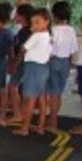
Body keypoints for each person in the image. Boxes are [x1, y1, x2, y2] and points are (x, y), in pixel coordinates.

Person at [14, 8, 52, 136]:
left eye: (37, 22)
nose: (34, 25)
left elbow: (24, 48)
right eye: (32, 23)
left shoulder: (36, 36)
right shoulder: (48, 36)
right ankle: (40, 126)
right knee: (41, 98)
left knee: (30, 98)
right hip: (43, 68)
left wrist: (17, 59)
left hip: (33, 68)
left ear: (46, 22)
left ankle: (25, 128)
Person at [46, 1, 78, 132]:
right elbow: (72, 51)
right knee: (58, 93)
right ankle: (54, 117)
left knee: (52, 93)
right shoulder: (71, 30)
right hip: (65, 62)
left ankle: (52, 122)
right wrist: (69, 65)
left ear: (54, 15)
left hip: (53, 62)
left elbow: (50, 51)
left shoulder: (52, 30)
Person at [8, 4, 34, 123]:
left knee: (13, 86)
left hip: (22, 61)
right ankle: (23, 113)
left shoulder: (25, 32)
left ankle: (18, 114)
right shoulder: (29, 31)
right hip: (28, 62)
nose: (15, 17)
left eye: (17, 14)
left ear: (23, 16)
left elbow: (22, 51)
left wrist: (14, 64)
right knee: (23, 88)